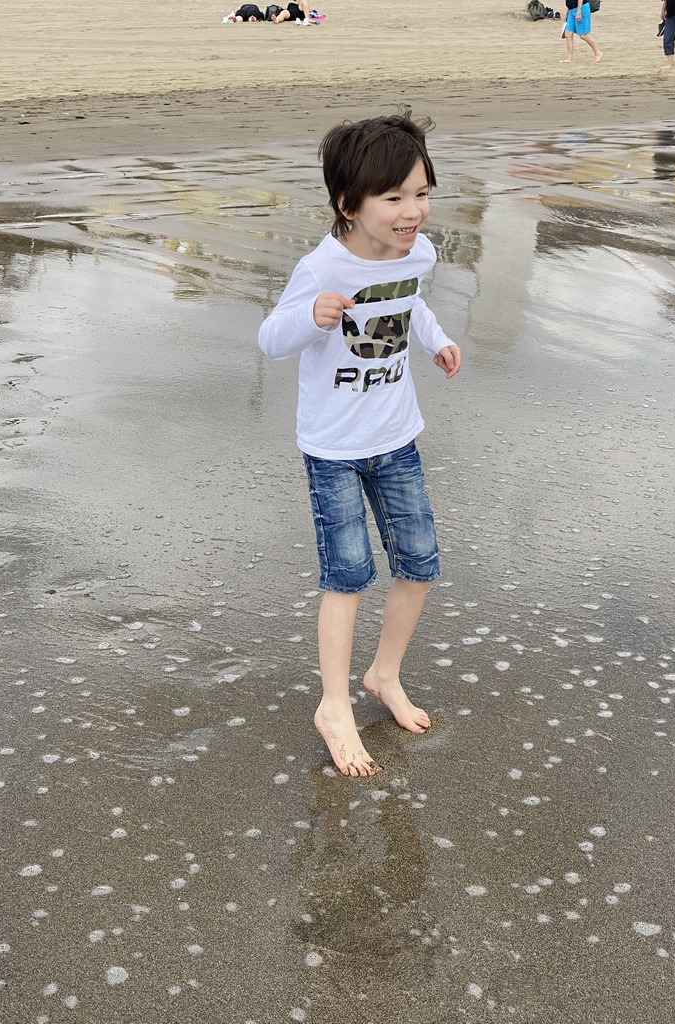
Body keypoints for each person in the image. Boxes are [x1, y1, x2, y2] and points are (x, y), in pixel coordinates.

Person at [258, 111, 461, 778]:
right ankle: (334, 706)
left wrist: (437, 342)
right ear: (348, 204)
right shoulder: (321, 266)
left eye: (422, 193)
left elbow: (412, 305)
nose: (414, 212)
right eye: (395, 198)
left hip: (396, 436)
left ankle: (385, 674)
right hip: (334, 447)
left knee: (420, 563)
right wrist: (309, 317)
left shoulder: (419, 254)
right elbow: (271, 339)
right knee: (346, 576)